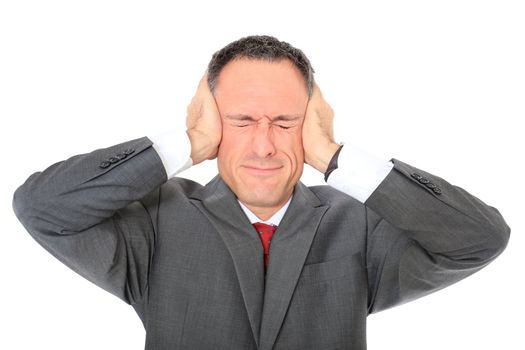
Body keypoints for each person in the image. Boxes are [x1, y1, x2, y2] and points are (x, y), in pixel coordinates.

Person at [13, 35, 510, 350]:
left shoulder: (357, 222)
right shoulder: (159, 220)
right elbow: (42, 208)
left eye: (285, 122)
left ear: (308, 125)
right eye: (242, 120)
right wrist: (188, 144)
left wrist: (333, 158)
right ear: (212, 122)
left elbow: (478, 240)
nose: (265, 145)